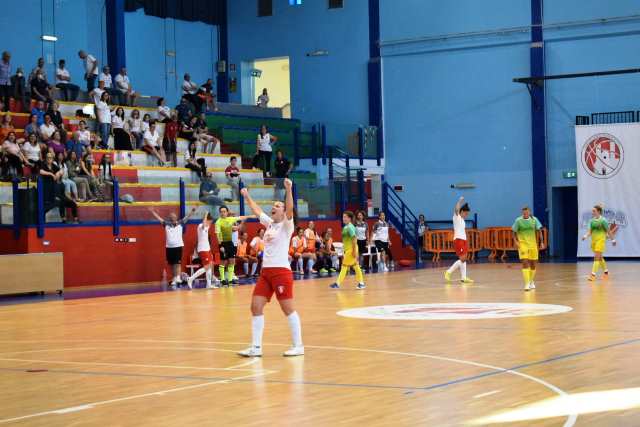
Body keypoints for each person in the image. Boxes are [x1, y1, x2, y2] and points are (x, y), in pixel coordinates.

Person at [237, 178, 303, 357]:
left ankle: (298, 346)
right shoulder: (270, 224)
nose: (274, 207)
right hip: (265, 273)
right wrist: (246, 195)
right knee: (255, 306)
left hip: (281, 272)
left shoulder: (287, 225)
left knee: (287, 308)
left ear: (283, 212)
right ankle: (256, 348)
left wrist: (289, 189)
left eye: (278, 205)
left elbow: (290, 210)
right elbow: (257, 210)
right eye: (274, 205)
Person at [149, 206, 197, 288]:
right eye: (171, 216)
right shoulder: (166, 225)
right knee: (171, 264)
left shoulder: (180, 223)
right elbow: (159, 218)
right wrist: (153, 212)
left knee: (177, 263)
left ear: (176, 217)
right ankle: (174, 278)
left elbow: (187, 217)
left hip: (178, 246)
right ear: (169, 218)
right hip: (169, 247)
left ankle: (178, 278)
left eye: (174, 216)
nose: (172, 217)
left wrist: (192, 211)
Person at [215, 206, 253, 286]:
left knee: (232, 261)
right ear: (220, 213)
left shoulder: (230, 219)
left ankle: (230, 279)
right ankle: (222, 279)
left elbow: (240, 217)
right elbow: (218, 235)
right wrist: (221, 245)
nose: (223, 213)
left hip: (230, 243)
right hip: (223, 243)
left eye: (224, 211)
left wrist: (250, 216)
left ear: (227, 212)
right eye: (221, 211)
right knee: (223, 262)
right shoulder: (218, 222)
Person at [40, 151, 79, 223]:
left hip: (59, 197)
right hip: (49, 194)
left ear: (52, 159)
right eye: (48, 157)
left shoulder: (60, 183)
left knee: (72, 203)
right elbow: (41, 171)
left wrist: (71, 199)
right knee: (60, 201)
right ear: (45, 158)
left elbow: (61, 170)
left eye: (50, 158)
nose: (49, 159)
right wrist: (51, 174)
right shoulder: (43, 165)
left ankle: (76, 219)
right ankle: (63, 218)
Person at [330, 211, 366, 289]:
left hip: (351, 249)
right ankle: (361, 283)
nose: (344, 218)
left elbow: (354, 238)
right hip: (348, 249)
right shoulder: (346, 227)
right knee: (356, 266)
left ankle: (337, 283)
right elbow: (346, 240)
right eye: (343, 217)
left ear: (349, 218)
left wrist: (353, 251)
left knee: (344, 266)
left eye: (345, 217)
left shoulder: (350, 227)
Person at [512, 206, 544, 291]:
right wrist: (515, 242)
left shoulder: (534, 220)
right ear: (522, 213)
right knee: (525, 262)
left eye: (526, 213)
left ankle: (531, 280)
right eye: (524, 213)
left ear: (529, 212)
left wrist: (542, 242)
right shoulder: (518, 221)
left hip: (533, 244)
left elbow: (539, 231)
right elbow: (514, 232)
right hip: (523, 244)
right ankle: (526, 284)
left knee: (533, 264)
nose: (525, 214)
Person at [582, 204, 617, 281]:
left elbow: (608, 231)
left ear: (599, 211)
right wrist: (585, 236)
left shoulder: (603, 221)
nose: (592, 212)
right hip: (593, 242)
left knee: (596, 258)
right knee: (600, 258)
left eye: (594, 211)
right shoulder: (591, 221)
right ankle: (606, 273)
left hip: (601, 241)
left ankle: (593, 275)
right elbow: (590, 232)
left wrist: (613, 240)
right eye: (592, 211)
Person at [444, 197, 474, 284]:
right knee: (463, 258)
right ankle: (448, 272)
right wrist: (460, 201)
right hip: (458, 240)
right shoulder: (456, 217)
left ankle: (463, 278)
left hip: (463, 241)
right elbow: (456, 209)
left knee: (464, 259)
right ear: (461, 212)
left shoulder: (463, 221)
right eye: (466, 213)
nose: (467, 215)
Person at [186, 212, 217, 289]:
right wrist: (205, 215)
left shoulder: (208, 227)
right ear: (207, 220)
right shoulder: (200, 226)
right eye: (210, 221)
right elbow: (204, 224)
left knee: (210, 266)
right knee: (207, 267)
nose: (211, 223)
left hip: (207, 249)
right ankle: (190, 279)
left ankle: (208, 285)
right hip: (202, 249)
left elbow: (206, 225)